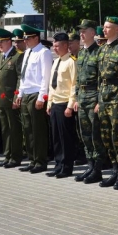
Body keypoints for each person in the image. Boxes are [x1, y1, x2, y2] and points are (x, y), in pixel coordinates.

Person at [95, 16, 118, 189]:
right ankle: (114, 170)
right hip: (104, 98)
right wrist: (98, 100)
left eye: (108, 27)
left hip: (117, 98)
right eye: (104, 27)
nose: (104, 30)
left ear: (117, 30)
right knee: (106, 137)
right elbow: (99, 78)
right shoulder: (102, 50)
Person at [72, 19, 107, 184]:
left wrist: (99, 101)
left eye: (84, 31)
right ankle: (90, 165)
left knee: (95, 135)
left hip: (94, 97)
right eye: (80, 31)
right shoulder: (82, 53)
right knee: (84, 135)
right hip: (83, 98)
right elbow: (78, 78)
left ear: (93, 33)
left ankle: (98, 169)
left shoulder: (99, 52)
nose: (81, 34)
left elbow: (102, 80)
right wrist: (77, 96)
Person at [15, 24, 53, 173]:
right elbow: (23, 76)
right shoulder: (28, 52)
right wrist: (19, 94)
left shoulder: (44, 52)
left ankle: (40, 161)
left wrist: (42, 97)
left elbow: (46, 76)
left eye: (28, 38)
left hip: (37, 93)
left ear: (36, 38)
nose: (25, 41)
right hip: (26, 94)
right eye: (24, 38)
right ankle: (32, 159)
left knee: (38, 130)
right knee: (27, 129)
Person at [47, 32, 78, 178]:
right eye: (54, 45)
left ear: (66, 45)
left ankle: (66, 167)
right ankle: (58, 164)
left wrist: (70, 106)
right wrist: (49, 103)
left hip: (65, 104)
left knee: (66, 138)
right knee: (56, 138)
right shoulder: (57, 61)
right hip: (55, 104)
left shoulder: (71, 62)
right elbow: (52, 85)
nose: (55, 48)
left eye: (57, 45)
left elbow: (74, 85)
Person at [0, 28, 23, 169]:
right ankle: (7, 155)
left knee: (13, 128)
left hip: (11, 99)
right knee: (5, 129)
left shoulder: (17, 56)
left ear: (9, 41)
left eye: (2, 42)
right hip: (0, 99)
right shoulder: (0, 57)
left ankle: (15, 157)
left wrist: (16, 97)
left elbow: (19, 79)